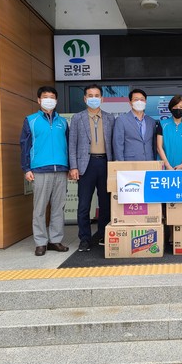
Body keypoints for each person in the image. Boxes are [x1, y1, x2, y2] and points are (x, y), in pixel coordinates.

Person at [20, 86, 70, 256]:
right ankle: (40, 242)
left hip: (61, 169)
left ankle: (55, 240)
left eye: (52, 97)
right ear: (39, 100)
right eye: (45, 97)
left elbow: (68, 146)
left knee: (58, 207)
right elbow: (24, 145)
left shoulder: (63, 122)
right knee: (39, 208)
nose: (49, 100)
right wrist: (26, 168)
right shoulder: (31, 120)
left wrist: (70, 166)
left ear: (56, 101)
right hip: (40, 169)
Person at [68, 84, 115, 252]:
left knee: (106, 203)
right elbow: (72, 144)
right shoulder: (77, 118)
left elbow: (114, 144)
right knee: (84, 204)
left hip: (105, 164)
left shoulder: (110, 118)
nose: (93, 98)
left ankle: (103, 234)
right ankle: (85, 239)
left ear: (102, 98)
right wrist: (73, 166)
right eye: (90, 95)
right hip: (84, 165)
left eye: (97, 95)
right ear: (85, 98)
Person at [112, 89, 156, 161]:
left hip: (149, 162)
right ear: (130, 102)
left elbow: (153, 145)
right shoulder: (121, 120)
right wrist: (120, 164)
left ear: (145, 102)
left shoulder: (151, 121)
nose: (139, 102)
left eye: (142, 99)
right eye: (136, 99)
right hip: (130, 163)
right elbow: (118, 145)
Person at [156, 95, 182, 170]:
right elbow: (159, 147)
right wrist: (167, 165)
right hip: (164, 168)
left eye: (181, 107)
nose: (178, 109)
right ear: (171, 107)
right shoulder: (162, 124)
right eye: (175, 106)